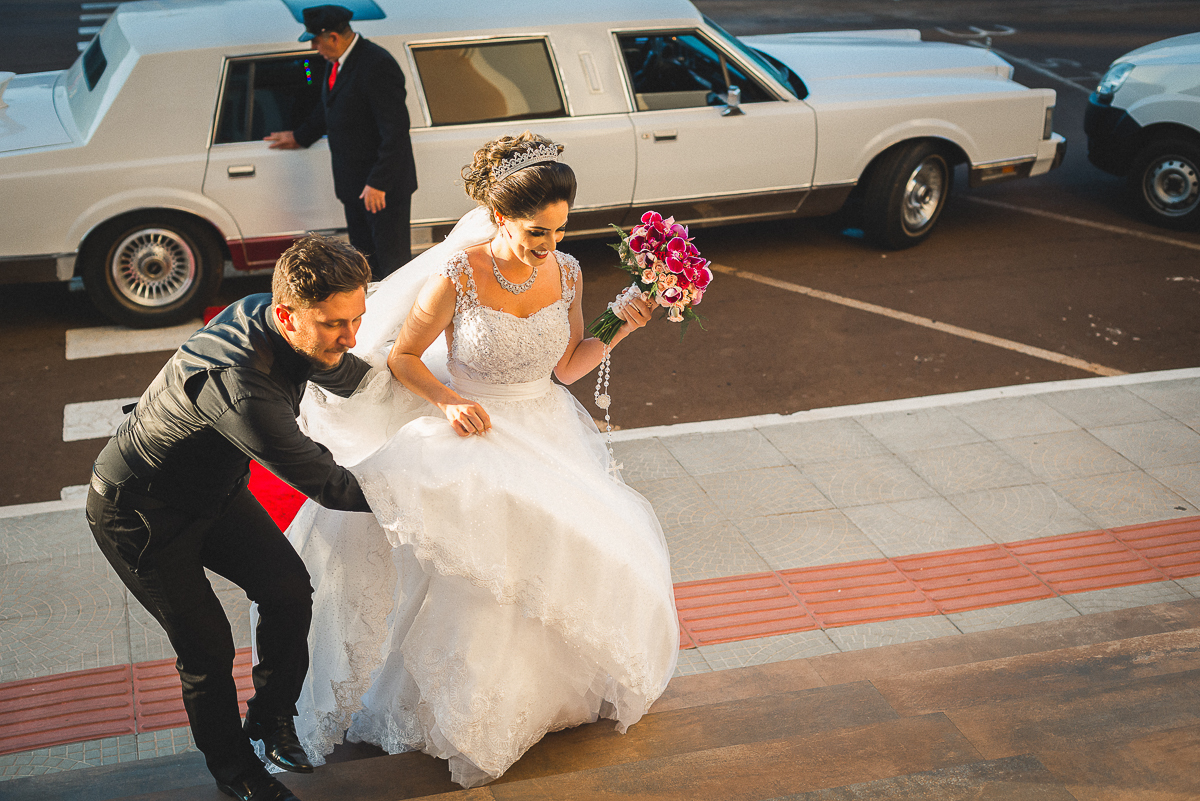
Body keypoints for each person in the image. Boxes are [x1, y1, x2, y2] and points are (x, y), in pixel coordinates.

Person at [281, 133, 680, 788]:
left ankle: (549, 698)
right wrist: (447, 401)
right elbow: (405, 358)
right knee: (488, 579)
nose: (549, 243)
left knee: (569, 559)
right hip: (476, 431)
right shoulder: (458, 273)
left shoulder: (569, 272)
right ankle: (471, 716)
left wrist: (621, 325)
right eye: (536, 231)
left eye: (559, 229)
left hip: (548, 434)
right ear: (499, 217)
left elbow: (566, 368)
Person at [86, 235, 377, 801]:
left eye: (356, 318)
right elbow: (330, 485)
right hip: (140, 511)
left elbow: (343, 372)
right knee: (208, 651)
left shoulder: (264, 311)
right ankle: (236, 772)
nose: (351, 336)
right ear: (288, 317)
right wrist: (423, 492)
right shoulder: (243, 389)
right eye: (334, 324)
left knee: (288, 590)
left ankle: (270, 718)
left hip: (214, 492)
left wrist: (420, 391)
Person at [266, 5, 418, 280]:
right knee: (364, 261)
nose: (314, 48)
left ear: (333, 37)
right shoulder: (336, 62)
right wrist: (299, 136)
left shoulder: (377, 64)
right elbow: (329, 109)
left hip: (381, 189)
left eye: (315, 41)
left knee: (392, 264)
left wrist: (379, 183)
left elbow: (395, 131)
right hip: (354, 185)